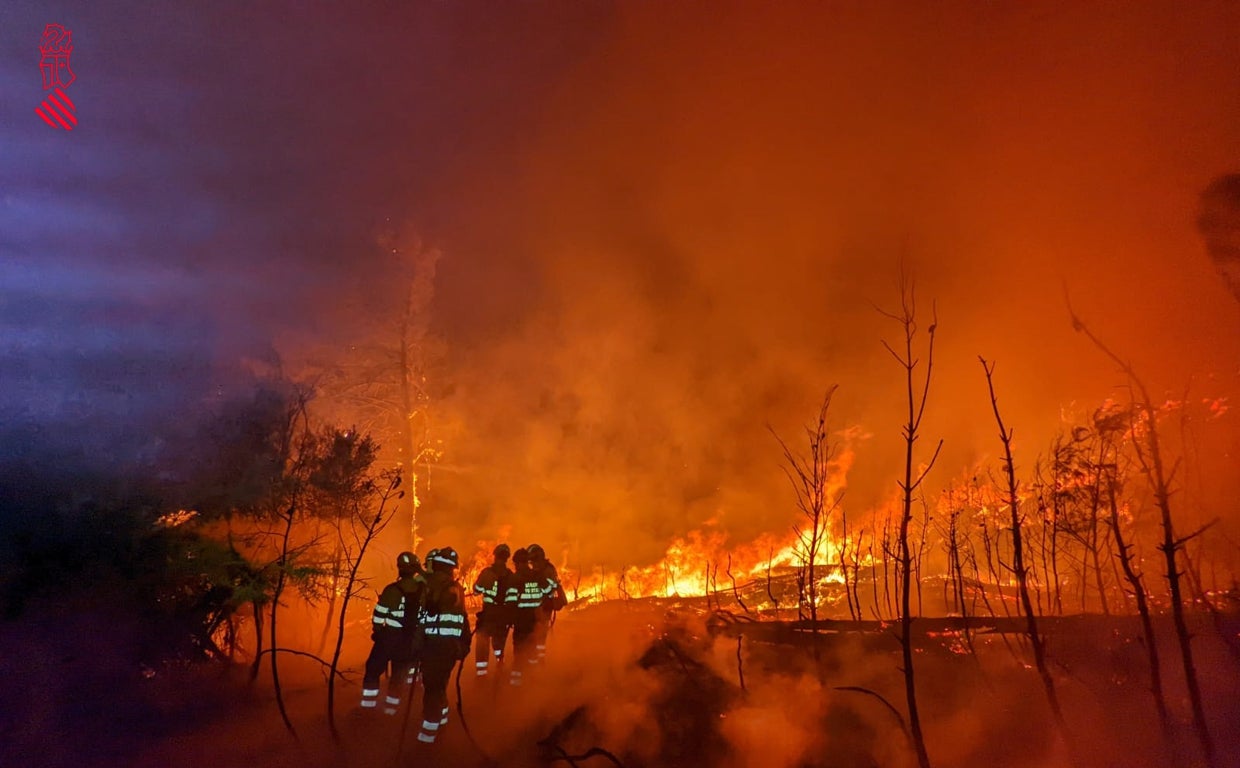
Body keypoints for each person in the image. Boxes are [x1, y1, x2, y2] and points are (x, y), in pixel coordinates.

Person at [414, 546, 471, 745]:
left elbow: (420, 620)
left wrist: (416, 646)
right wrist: (464, 646)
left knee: (432, 692)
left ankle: (427, 740)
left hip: (433, 648)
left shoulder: (430, 585)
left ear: (437, 565)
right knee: (439, 688)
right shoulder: (457, 588)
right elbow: (464, 621)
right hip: (450, 649)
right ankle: (443, 723)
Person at [359, 551, 425, 715]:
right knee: (398, 677)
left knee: (373, 670)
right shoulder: (423, 591)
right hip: (409, 640)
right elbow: (425, 617)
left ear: (400, 569)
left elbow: (379, 615)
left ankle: (368, 709)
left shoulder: (391, 590)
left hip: (388, 638)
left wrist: (378, 632)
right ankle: (391, 711)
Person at [471, 543, 514, 679]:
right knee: (499, 644)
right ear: (507, 558)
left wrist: (485, 588)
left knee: (482, 644)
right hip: (503, 617)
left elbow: (476, 590)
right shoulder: (510, 576)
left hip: (488, 615)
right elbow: (513, 598)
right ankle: (500, 668)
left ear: (495, 556)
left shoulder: (487, 573)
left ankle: (481, 676)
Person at [526, 543, 566, 665]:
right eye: (531, 561)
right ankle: (532, 661)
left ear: (539, 557)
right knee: (532, 636)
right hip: (534, 607)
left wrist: (542, 588)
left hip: (544, 608)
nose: (532, 564)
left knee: (540, 636)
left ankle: (539, 661)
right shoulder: (536, 570)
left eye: (533, 560)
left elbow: (552, 587)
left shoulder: (548, 570)